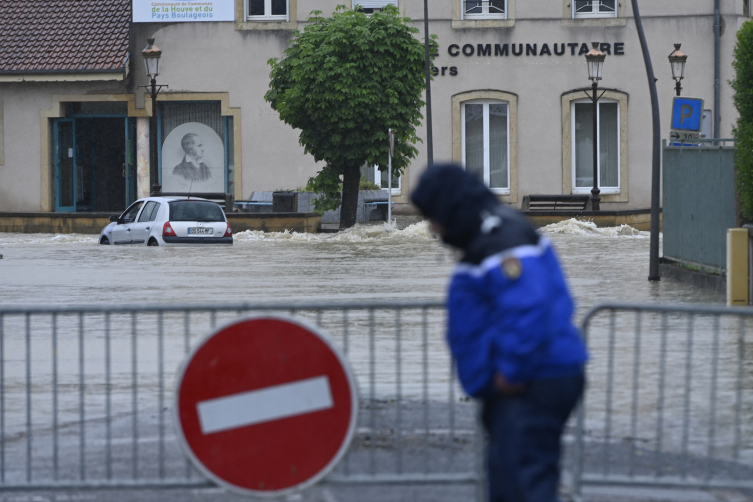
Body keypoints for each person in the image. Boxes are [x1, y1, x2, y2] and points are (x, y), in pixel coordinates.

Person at [410, 164, 588, 502]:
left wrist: (510, 369)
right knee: (513, 481)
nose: (432, 227)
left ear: (449, 207)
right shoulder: (498, 232)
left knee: (521, 484)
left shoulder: (500, 240)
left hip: (529, 383)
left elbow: (529, 307)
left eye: (432, 215)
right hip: (530, 380)